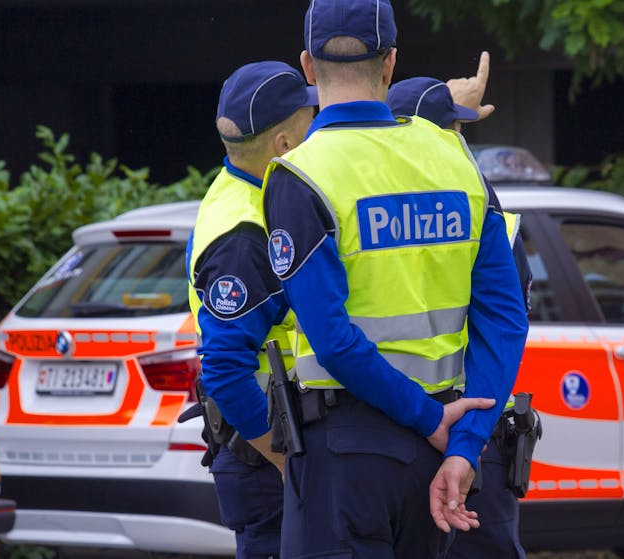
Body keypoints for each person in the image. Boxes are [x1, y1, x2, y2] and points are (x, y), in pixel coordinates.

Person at [259, 0, 530, 556]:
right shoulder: (454, 159)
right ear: (390, 64)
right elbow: (505, 319)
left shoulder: (301, 175)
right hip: (438, 454)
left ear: (307, 66)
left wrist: (429, 419)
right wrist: (464, 446)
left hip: (347, 456)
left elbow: (333, 340)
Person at [386, 74, 531, 559]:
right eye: (457, 130)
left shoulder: (370, 216)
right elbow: (503, 329)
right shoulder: (476, 209)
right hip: (467, 433)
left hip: (385, 429)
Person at [185, 60, 317, 559]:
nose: (317, 129)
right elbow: (223, 368)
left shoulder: (244, 191)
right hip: (269, 462)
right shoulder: (245, 234)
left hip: (272, 450)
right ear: (283, 143)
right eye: (309, 122)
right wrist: (285, 461)